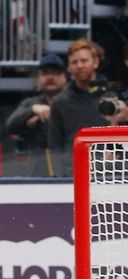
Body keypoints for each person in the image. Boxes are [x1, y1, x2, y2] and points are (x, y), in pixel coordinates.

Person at [48, 39, 128, 177]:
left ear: (95, 62)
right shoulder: (60, 102)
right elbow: (54, 146)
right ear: (68, 67)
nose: (79, 66)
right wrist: (58, 180)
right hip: (72, 177)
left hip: (111, 176)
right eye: (74, 62)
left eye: (84, 60)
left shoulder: (114, 97)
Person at [5, 53, 67, 177]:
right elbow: (10, 125)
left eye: (55, 73)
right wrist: (33, 110)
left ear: (64, 77)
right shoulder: (30, 103)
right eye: (45, 73)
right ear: (38, 79)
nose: (50, 77)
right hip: (36, 174)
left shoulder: (72, 103)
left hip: (67, 172)